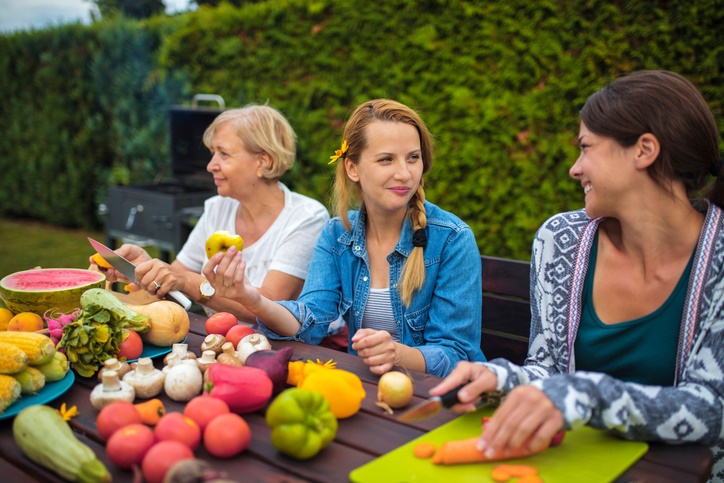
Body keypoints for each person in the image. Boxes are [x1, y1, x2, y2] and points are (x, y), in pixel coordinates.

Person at [431, 70, 724, 481]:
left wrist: (586, 394)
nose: (574, 168)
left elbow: (714, 408)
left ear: (644, 150)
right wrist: (499, 378)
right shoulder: (560, 239)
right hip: (566, 467)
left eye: (585, 148)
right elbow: (547, 368)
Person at [204, 99, 485, 377]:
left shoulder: (451, 239)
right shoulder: (338, 235)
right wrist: (252, 299)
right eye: (386, 159)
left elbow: (457, 354)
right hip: (367, 390)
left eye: (413, 157)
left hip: (437, 398)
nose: (404, 173)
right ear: (352, 168)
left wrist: (397, 354)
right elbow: (311, 319)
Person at [92, 104, 330, 325]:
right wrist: (145, 269)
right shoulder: (218, 207)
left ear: (263, 162)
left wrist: (186, 282)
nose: (210, 165)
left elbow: (271, 304)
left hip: (288, 352)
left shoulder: (306, 218)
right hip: (217, 339)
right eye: (212, 153)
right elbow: (177, 273)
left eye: (223, 154)